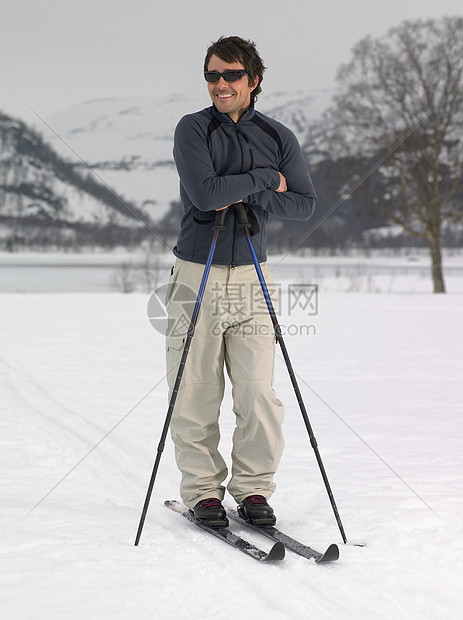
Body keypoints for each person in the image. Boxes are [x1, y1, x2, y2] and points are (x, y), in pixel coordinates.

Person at [166, 35, 316, 527]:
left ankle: (253, 491)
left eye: (231, 75)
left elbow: (304, 203)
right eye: (212, 75)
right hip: (197, 271)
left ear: (253, 80)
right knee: (195, 389)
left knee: (257, 391)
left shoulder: (277, 136)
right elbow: (206, 195)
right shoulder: (192, 129)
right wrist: (263, 180)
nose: (220, 84)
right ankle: (204, 493)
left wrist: (254, 186)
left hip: (253, 273)